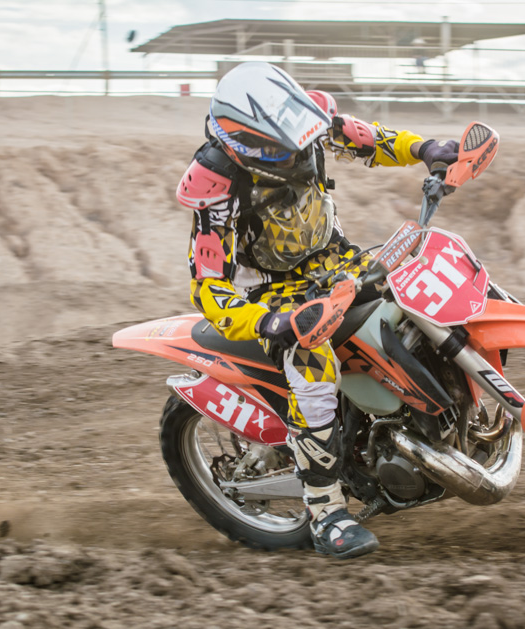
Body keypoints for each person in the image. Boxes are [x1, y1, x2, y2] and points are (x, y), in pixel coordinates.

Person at [176, 61, 460, 559]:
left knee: (424, 281)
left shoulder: (306, 120)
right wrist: (272, 322)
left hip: (334, 259)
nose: (294, 154)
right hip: (271, 293)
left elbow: (370, 140)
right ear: (240, 143)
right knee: (312, 366)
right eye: (277, 150)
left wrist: (424, 149)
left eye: (297, 141)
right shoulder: (215, 182)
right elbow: (209, 290)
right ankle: (326, 513)